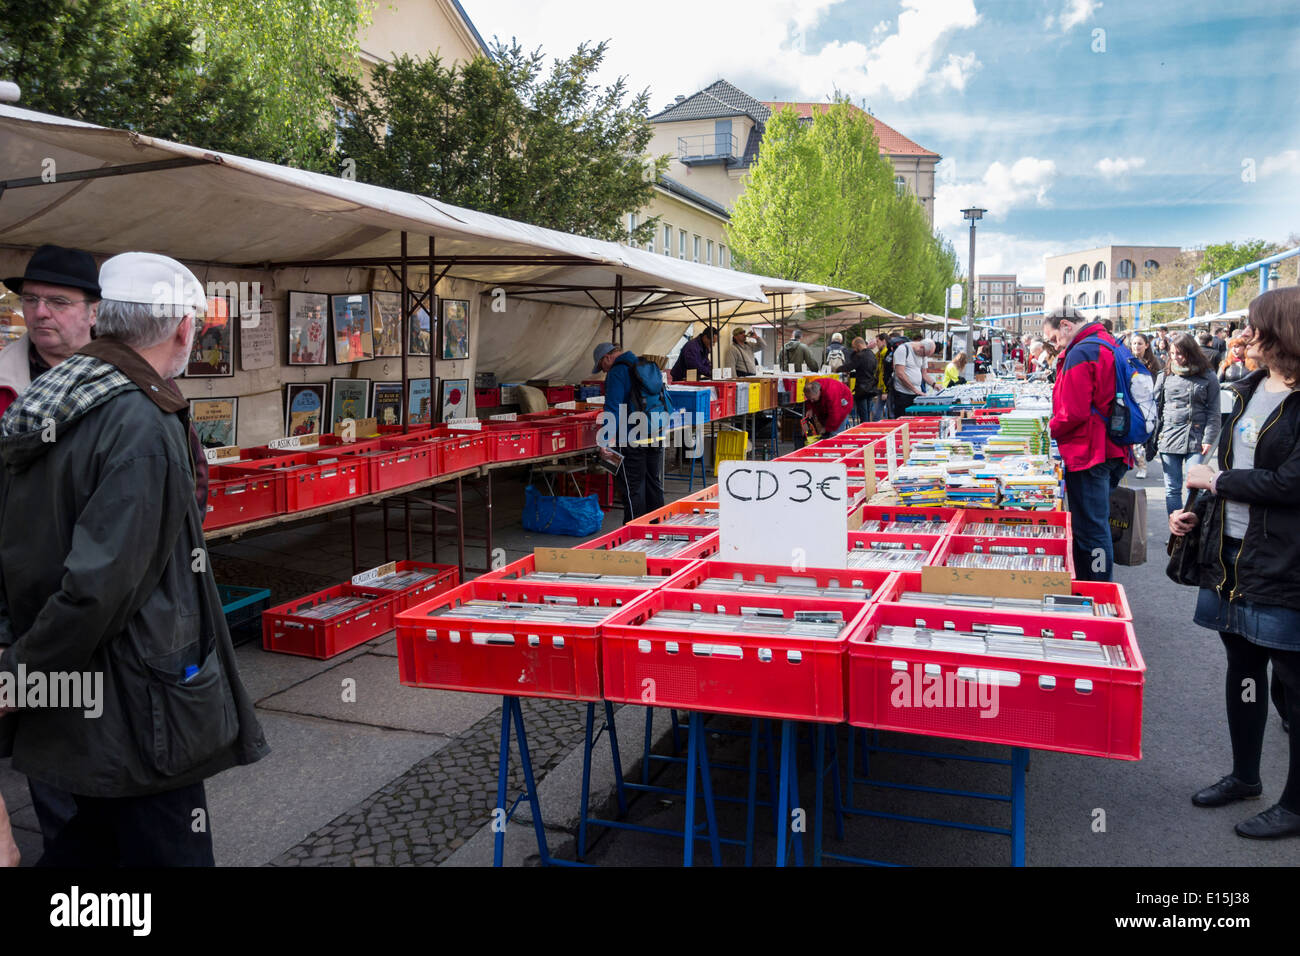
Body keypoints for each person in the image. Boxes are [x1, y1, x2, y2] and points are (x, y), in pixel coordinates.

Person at [0, 252, 268, 866]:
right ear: (182, 328)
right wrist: (20, 672)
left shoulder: (53, 399)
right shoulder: (140, 417)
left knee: (83, 847)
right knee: (156, 849)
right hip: (138, 703)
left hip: (74, 693)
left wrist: (20, 661)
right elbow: (101, 586)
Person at [1172, 287, 1300, 839]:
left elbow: (1291, 482)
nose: (1245, 336)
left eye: (1254, 326)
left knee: (1293, 686)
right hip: (1230, 553)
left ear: (1282, 332)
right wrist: (1197, 510)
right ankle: (1245, 775)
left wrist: (1216, 481)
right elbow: (1227, 464)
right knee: (1242, 667)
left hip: (1284, 563)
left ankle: (1296, 803)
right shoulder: (1249, 390)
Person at [1043, 307, 1131, 582]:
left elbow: (1074, 412)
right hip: (1112, 447)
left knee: (1091, 529)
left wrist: (1050, 428)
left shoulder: (1081, 352)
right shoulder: (1108, 342)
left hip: (1089, 452)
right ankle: (1096, 583)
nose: (1055, 345)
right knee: (1096, 524)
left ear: (1066, 325)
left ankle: (1096, 588)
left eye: (1054, 338)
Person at [0, 244, 101, 416]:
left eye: (58, 302)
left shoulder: (129, 375)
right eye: (30, 299)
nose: (40, 312)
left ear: (93, 312)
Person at [593, 342, 670, 524]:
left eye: (602, 366)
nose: (603, 371)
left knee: (632, 488)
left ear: (607, 358)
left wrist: (605, 441)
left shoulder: (617, 372)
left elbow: (613, 408)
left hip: (631, 439)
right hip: (655, 434)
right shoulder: (645, 365)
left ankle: (635, 536)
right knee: (653, 485)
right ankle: (658, 529)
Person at [1155, 332, 1220, 515]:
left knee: (1196, 487)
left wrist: (1209, 438)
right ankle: (1176, 534)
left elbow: (1214, 411)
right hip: (1169, 437)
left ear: (1191, 352)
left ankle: (1192, 533)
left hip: (1196, 437)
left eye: (1180, 353)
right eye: (1173, 353)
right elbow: (1155, 407)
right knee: (1172, 488)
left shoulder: (1208, 376)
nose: (1176, 358)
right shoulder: (1165, 375)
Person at [1129, 333, 1164, 478]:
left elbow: (1158, 385)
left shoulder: (1154, 363)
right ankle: (1139, 464)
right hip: (1130, 403)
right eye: (1134, 343)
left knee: (1142, 438)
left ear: (1146, 345)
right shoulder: (1127, 361)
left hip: (1148, 405)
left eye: (1139, 343)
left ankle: (1142, 466)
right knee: (1133, 438)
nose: (1136, 346)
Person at [891, 337, 935, 416]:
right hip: (903, 393)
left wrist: (934, 384)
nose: (925, 357)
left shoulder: (924, 354)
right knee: (903, 419)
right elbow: (900, 373)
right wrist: (914, 389)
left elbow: (924, 374)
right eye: (925, 354)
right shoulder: (902, 350)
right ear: (921, 347)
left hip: (916, 394)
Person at [845, 336, 878, 424]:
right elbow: (868, 370)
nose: (854, 350)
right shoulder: (872, 354)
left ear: (859, 345)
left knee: (863, 414)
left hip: (862, 388)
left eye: (854, 347)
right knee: (868, 411)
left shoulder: (860, 355)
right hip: (871, 387)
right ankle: (869, 429)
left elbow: (851, 366)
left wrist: (838, 369)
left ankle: (865, 431)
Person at [871, 333, 890, 420]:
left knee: (880, 411)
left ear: (884, 341)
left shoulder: (886, 354)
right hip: (880, 386)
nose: (876, 344)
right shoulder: (878, 354)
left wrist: (885, 390)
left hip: (885, 387)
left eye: (878, 341)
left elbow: (886, 373)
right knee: (877, 411)